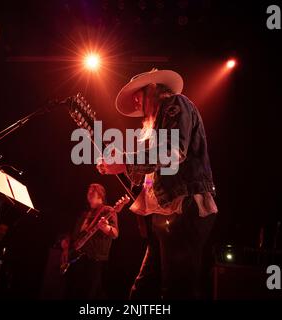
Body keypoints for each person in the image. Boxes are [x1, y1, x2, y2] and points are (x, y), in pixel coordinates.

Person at [97, 69, 218, 299]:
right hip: (165, 216)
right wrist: (118, 166)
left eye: (138, 94)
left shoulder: (175, 104)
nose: (134, 100)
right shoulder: (154, 127)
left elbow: (173, 152)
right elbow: (152, 175)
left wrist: (125, 161)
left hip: (185, 209)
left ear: (152, 89)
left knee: (176, 290)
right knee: (143, 289)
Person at [64, 183, 119, 299]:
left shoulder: (107, 210)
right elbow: (75, 235)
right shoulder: (85, 213)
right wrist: (66, 245)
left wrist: (106, 228)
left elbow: (115, 233)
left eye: (92, 192)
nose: (88, 194)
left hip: (94, 258)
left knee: (88, 293)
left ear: (100, 195)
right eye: (88, 192)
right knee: (72, 291)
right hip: (77, 256)